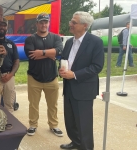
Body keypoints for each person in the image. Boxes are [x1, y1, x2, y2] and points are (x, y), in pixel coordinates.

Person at [59, 11, 104, 150]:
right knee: (70, 121)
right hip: (69, 88)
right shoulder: (68, 42)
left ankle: (86, 147)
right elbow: (64, 60)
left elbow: (97, 66)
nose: (70, 24)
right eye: (71, 21)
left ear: (84, 25)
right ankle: (76, 142)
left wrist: (75, 74)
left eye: (74, 22)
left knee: (84, 124)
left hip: (84, 90)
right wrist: (60, 70)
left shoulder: (95, 42)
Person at [24, 13, 63, 137]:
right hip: (34, 77)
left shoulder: (56, 38)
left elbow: (59, 51)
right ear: (37, 24)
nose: (43, 24)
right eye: (41, 22)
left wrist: (41, 52)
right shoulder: (30, 39)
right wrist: (50, 54)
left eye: (46, 22)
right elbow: (31, 55)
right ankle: (33, 125)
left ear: (49, 23)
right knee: (33, 104)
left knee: (53, 104)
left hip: (52, 77)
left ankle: (53, 125)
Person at [0, 18, 19, 113]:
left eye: (4, 25)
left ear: (7, 27)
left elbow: (16, 61)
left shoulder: (11, 44)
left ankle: (9, 124)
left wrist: (10, 75)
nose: (1, 27)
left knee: (9, 104)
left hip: (9, 76)